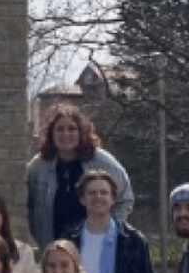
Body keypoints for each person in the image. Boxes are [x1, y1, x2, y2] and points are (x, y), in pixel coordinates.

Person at [25, 104, 134, 250]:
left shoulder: (103, 162)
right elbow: (26, 206)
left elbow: (125, 199)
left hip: (94, 247)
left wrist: (107, 231)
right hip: (54, 251)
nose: (65, 134)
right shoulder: (37, 167)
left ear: (81, 132)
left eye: (72, 129)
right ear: (51, 133)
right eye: (59, 129)